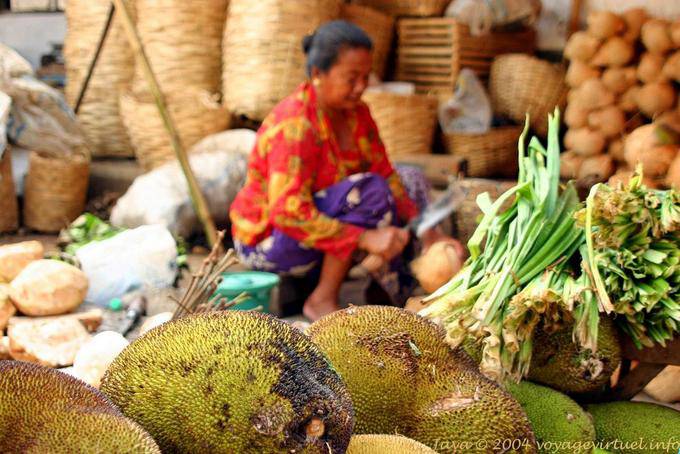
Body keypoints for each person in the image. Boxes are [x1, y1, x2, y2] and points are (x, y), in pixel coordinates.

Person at [229, 20, 459, 321]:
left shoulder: (357, 113)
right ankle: (322, 298)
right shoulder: (295, 125)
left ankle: (384, 294)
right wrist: (363, 239)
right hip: (269, 240)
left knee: (409, 178)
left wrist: (427, 230)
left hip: (318, 227)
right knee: (369, 191)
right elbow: (287, 212)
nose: (361, 87)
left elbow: (386, 172)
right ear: (317, 75)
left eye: (365, 77)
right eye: (351, 78)